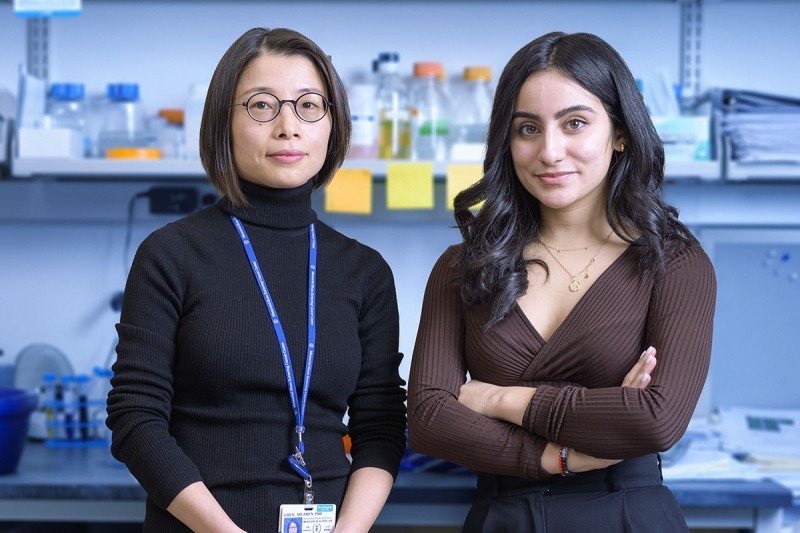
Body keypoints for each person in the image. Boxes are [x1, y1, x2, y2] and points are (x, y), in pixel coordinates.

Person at [408, 31, 716, 532]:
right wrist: (557, 457)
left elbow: (656, 420)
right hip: (502, 517)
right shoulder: (464, 265)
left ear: (619, 132)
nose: (550, 152)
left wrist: (499, 399)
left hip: (627, 516)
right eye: (527, 128)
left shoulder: (673, 262)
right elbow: (428, 418)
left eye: (575, 123)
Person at [107, 27, 406, 532]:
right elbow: (135, 417)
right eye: (261, 105)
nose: (288, 126)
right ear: (223, 122)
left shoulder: (365, 270)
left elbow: (380, 424)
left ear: (333, 123)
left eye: (310, 105)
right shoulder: (171, 255)